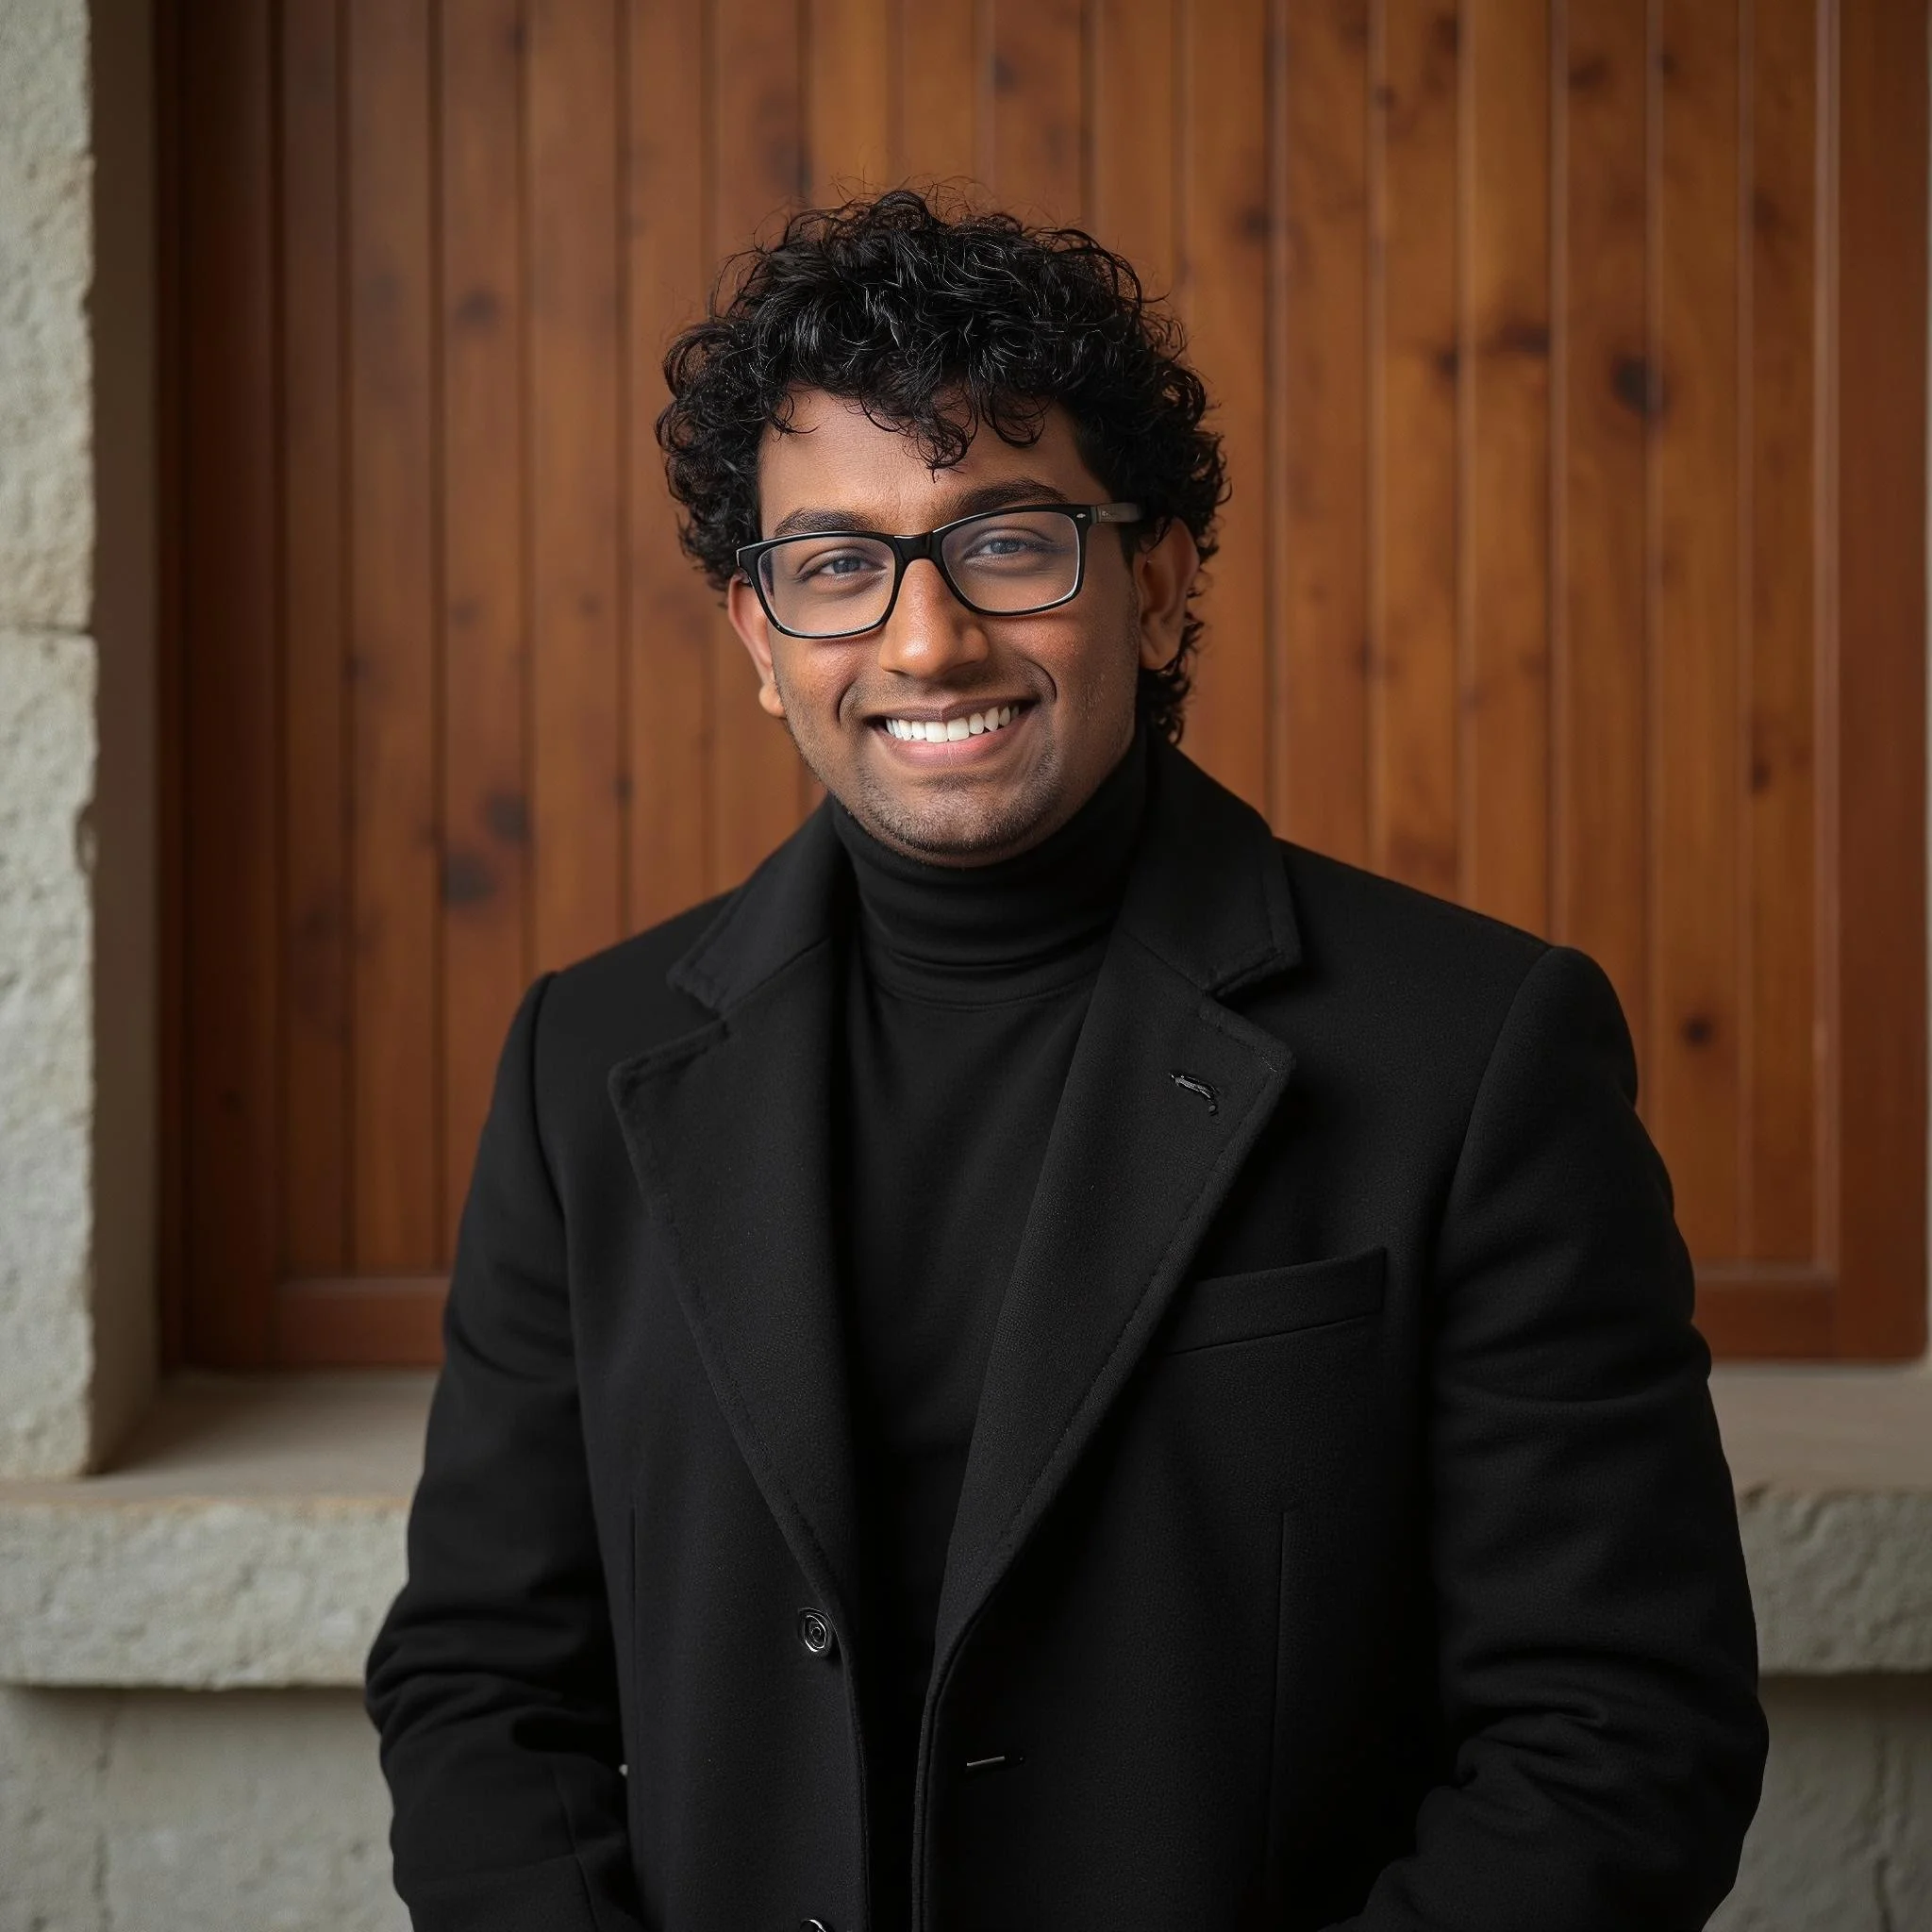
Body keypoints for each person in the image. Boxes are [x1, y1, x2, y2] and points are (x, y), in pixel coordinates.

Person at [365, 189, 1766, 1932]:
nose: (927, 637)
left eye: (1010, 541)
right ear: (759, 638)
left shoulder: (1474, 1050)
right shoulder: (591, 1058)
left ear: (1161, 583)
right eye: (836, 564)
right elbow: (483, 1686)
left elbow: (1620, 1734)